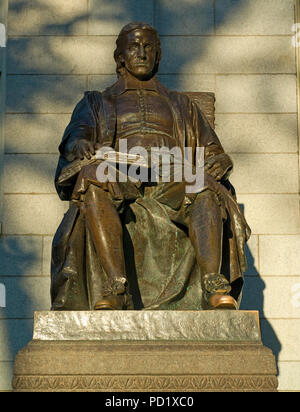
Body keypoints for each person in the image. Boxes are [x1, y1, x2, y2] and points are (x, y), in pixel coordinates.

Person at [51, 22, 250, 312]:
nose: (141, 53)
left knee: (202, 183)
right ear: (120, 57)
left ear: (157, 55)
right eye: (134, 46)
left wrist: (218, 162)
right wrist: (80, 143)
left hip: (171, 174)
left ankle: (213, 284)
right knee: (93, 177)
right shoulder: (97, 101)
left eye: (149, 47)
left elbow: (212, 150)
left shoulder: (182, 104)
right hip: (121, 172)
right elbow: (78, 133)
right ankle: (116, 286)